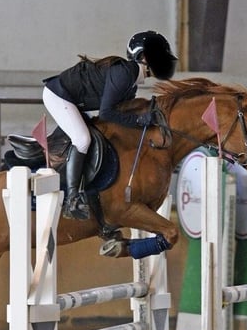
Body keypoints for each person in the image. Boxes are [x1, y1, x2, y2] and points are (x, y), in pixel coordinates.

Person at [42, 30, 178, 220]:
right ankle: (72, 198)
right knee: (82, 140)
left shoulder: (132, 83)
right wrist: (140, 120)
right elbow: (107, 113)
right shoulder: (125, 73)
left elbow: (120, 115)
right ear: (145, 57)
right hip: (59, 95)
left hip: (77, 100)